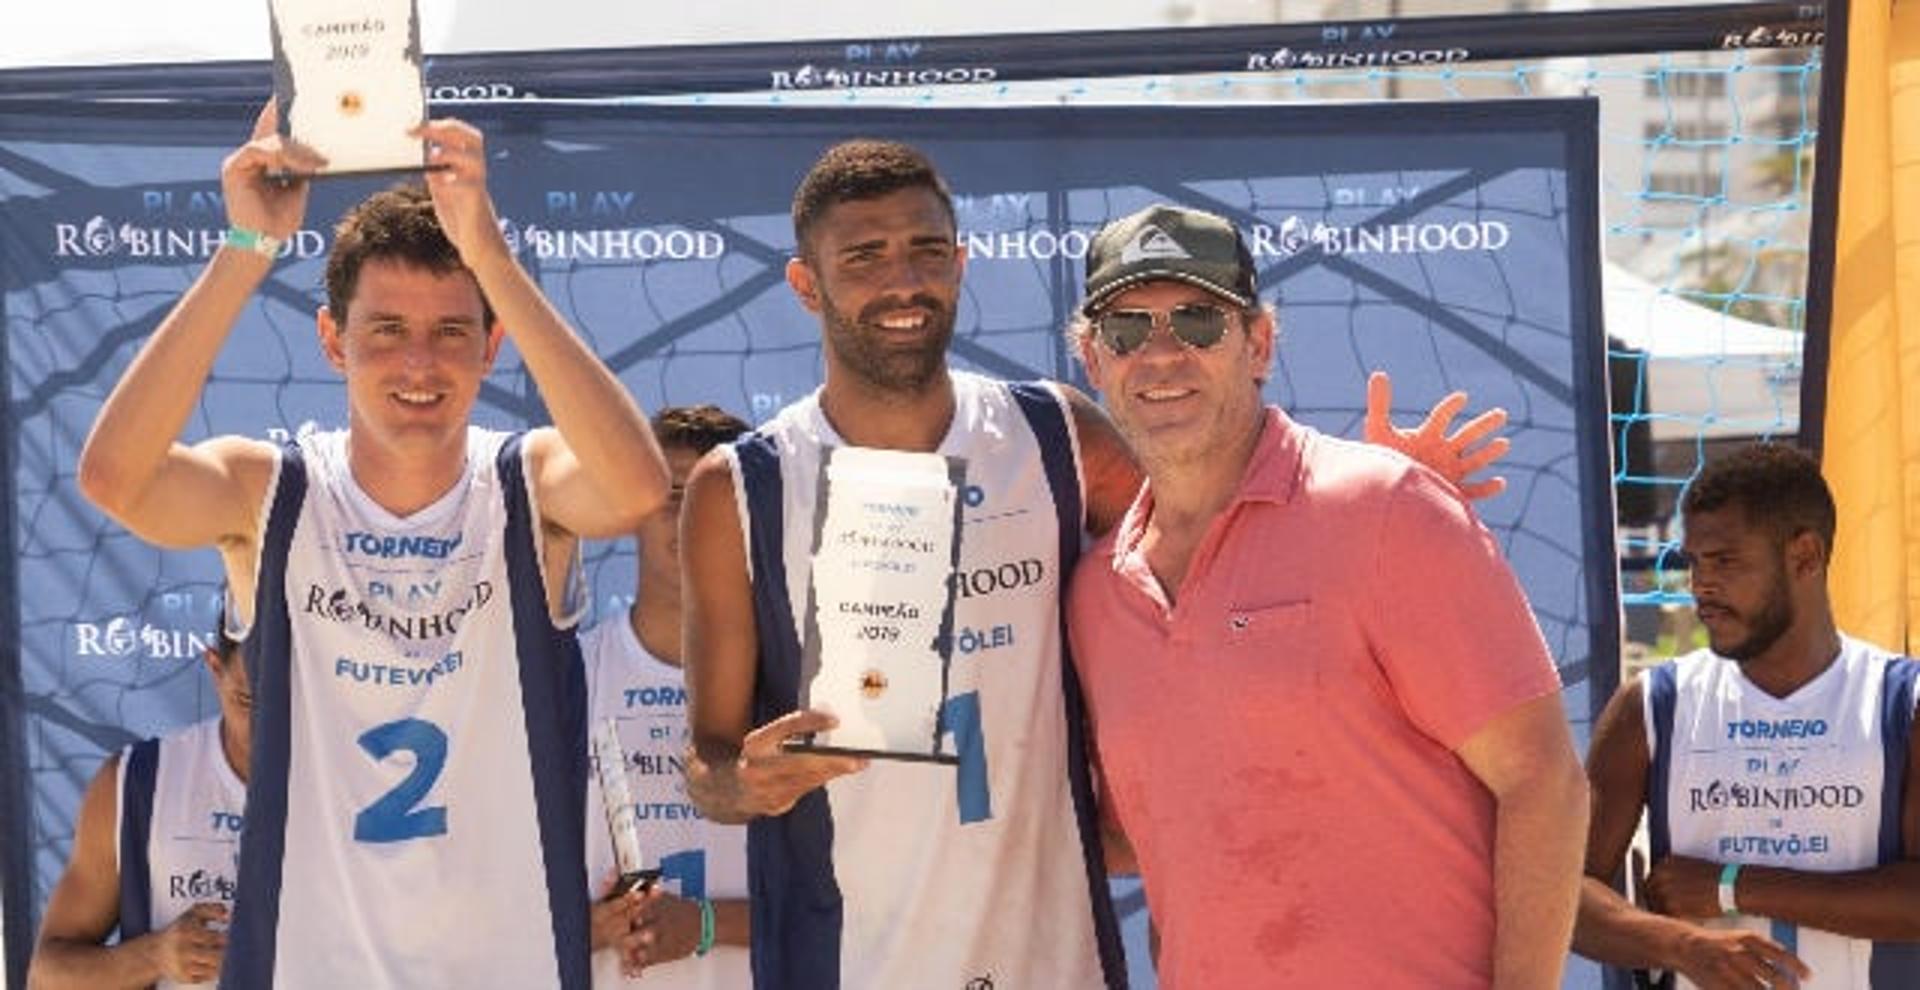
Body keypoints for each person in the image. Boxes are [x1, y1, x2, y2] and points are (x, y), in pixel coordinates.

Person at [679, 143, 1511, 989]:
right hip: (851, 958)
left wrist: (1366, 500)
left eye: (927, 251)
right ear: (806, 285)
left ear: (961, 263)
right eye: (864, 256)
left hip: (1057, 954)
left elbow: (1211, 534)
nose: (903, 282)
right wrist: (748, 782)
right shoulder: (742, 489)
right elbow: (706, 764)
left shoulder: (1055, 436)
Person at [75, 103, 668, 988]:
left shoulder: (524, 481)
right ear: (331, 340)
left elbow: (635, 486)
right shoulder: (269, 489)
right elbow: (116, 479)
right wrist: (246, 247)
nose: (419, 365)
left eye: (451, 331)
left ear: (491, 344)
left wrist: (492, 256)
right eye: (386, 330)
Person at [1063, 203, 1588, 989]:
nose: (1162, 354)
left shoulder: (1386, 508)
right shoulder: (1095, 596)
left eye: (1200, 321)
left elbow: (1544, 780)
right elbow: (1143, 833)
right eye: (1127, 329)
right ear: (1092, 358)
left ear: (1260, 343)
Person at [1574, 442, 1920, 989]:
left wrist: (1735, 886)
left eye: (1725, 561)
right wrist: (1682, 946)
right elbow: (1562, 890)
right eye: (1694, 562)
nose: (1701, 586)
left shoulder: (1902, 700)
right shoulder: (1651, 706)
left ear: (1804, 556)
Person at [583, 404, 752, 987]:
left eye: (716, 499)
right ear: (632, 511)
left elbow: (857, 902)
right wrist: (593, 928)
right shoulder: (567, 682)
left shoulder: (802, 687)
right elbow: (490, 903)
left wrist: (705, 924)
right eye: (674, 494)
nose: (692, 517)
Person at [29, 607, 249, 990]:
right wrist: (155, 955)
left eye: (286, 702)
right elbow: (47, 977)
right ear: (216, 669)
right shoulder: (139, 781)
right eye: (247, 700)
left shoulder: (355, 783)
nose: (268, 723)